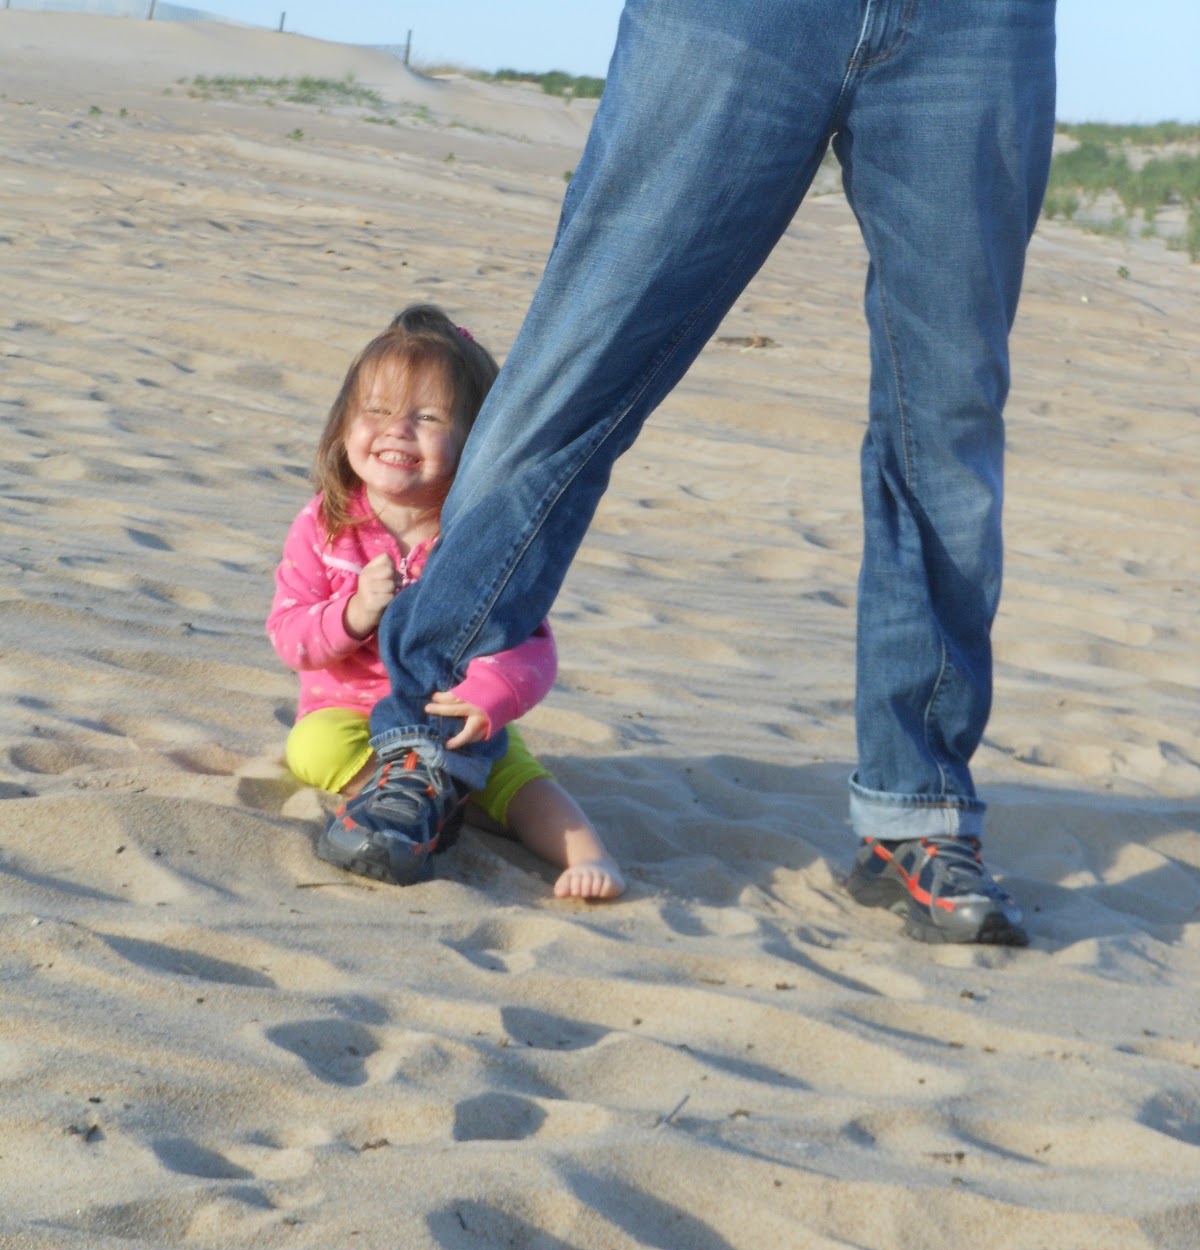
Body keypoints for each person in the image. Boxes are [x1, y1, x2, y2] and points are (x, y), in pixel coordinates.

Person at [318, 0, 1057, 947]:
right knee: (579, 363)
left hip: (975, 26)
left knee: (948, 418)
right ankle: (426, 745)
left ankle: (919, 811)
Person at [267, 306, 624, 901]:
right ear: (342, 426)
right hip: (349, 713)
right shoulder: (325, 525)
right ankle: (420, 795)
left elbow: (529, 643)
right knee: (310, 748)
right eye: (376, 410)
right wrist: (352, 615)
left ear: (476, 442)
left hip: (457, 716)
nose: (396, 430)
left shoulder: (480, 537)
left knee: (522, 782)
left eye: (427, 417)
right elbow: (288, 634)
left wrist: (490, 694)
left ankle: (591, 856)